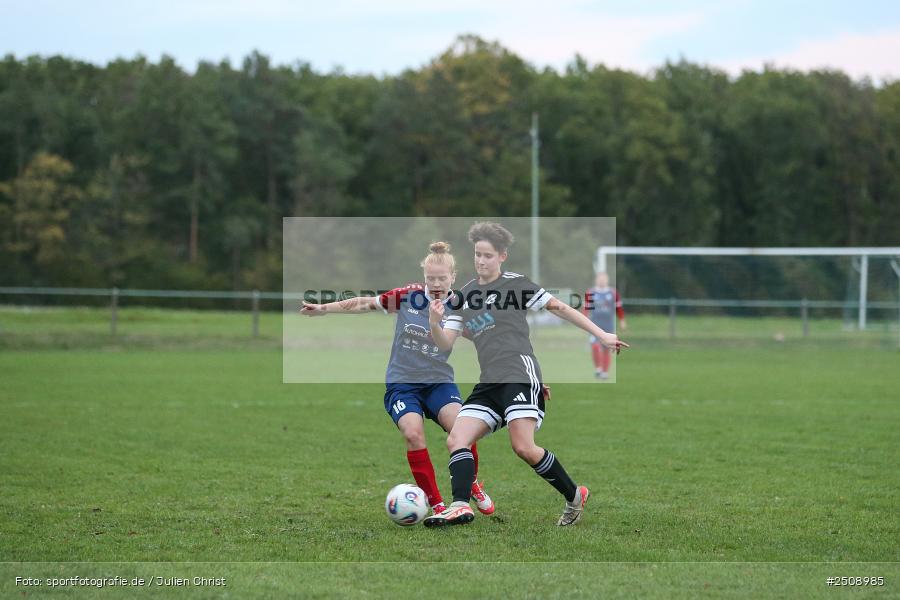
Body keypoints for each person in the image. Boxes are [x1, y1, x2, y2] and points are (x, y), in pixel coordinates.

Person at [423, 222, 628, 527]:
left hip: (519, 370)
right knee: (456, 439)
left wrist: (601, 334)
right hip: (490, 381)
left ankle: (574, 496)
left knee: (523, 447)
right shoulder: (465, 295)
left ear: (502, 256)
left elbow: (558, 307)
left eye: (488, 255)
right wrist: (434, 322)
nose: (481, 261)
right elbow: (445, 343)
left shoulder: (516, 284)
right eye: (478, 254)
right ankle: (459, 506)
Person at [300, 242, 494, 517]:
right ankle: (438, 504)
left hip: (438, 381)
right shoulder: (408, 296)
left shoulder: (460, 306)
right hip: (402, 383)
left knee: (462, 429)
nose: (436, 283)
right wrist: (324, 308)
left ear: (453, 276)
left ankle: (471, 482)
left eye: (442, 278)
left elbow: (487, 340)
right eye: (431, 278)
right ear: (424, 277)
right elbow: (365, 303)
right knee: (413, 434)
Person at [584, 271, 627, 380]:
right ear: (596, 280)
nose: (602, 280)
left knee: (607, 348)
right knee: (595, 346)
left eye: (604, 278)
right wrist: (583, 321)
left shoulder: (613, 292)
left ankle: (605, 372)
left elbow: (619, 308)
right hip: (594, 324)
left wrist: (622, 320)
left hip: (608, 325)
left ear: (607, 280)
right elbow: (586, 308)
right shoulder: (590, 292)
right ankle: (598, 368)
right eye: (600, 278)